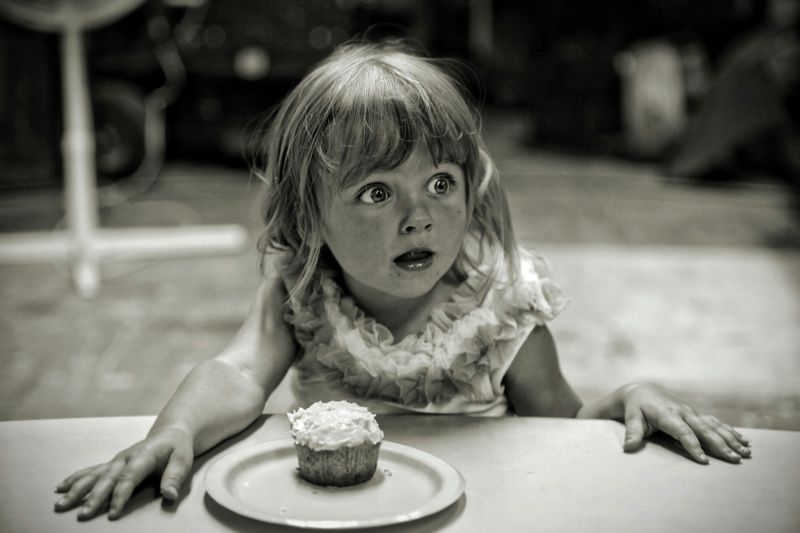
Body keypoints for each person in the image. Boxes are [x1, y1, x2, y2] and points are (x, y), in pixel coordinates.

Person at [54, 40, 752, 521]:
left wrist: (627, 397)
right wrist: (174, 429)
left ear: (472, 189)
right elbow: (237, 373)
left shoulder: (500, 309)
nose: (419, 217)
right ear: (309, 214)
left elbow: (560, 432)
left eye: (440, 183)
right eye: (377, 193)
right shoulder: (304, 292)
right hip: (330, 518)